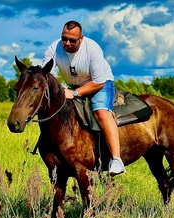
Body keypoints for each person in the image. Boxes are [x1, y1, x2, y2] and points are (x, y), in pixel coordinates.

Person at [43, 20, 125, 176]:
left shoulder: (92, 49)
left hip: (99, 83)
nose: (67, 43)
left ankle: (116, 159)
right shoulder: (53, 48)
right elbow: (47, 76)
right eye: (64, 38)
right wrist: (60, 91)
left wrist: (73, 93)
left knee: (101, 112)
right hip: (72, 85)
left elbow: (98, 82)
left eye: (72, 40)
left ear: (81, 38)